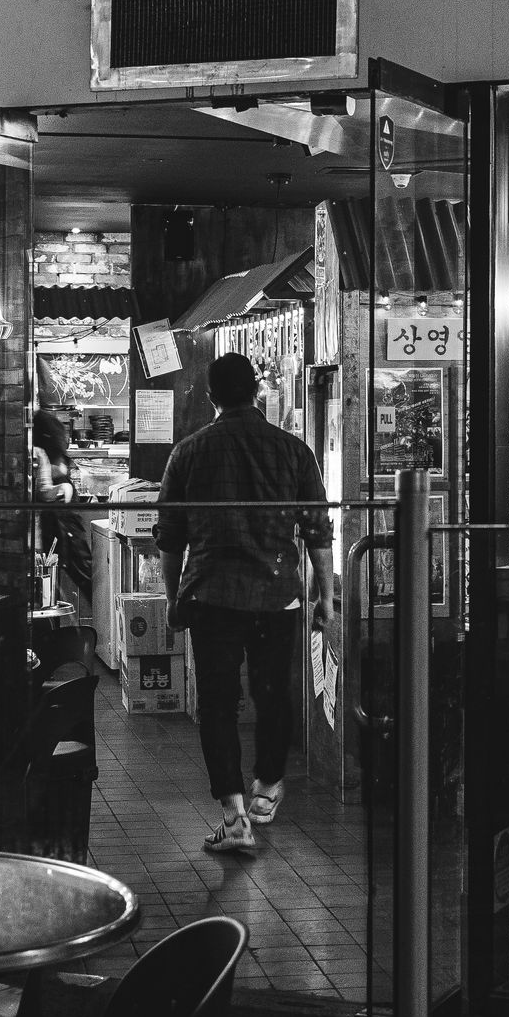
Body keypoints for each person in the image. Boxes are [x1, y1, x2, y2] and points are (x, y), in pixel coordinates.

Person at [156, 353, 333, 855]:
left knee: (217, 704)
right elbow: (318, 525)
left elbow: (170, 538)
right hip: (277, 596)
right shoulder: (292, 450)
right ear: (256, 390)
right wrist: (326, 592)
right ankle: (267, 788)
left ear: (210, 397)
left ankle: (234, 816)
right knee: (273, 694)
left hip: (212, 596)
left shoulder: (188, 453)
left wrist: (172, 598)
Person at [32, 409, 93, 605]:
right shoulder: (44, 424)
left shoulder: (42, 423)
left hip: (58, 525)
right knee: (80, 572)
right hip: (60, 523)